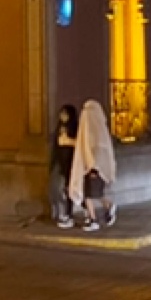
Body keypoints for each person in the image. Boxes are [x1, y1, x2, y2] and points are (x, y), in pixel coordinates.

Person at [70, 99, 117, 232]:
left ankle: (93, 219)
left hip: (92, 168)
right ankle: (107, 207)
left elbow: (91, 149)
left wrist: (93, 167)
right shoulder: (101, 129)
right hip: (94, 168)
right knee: (95, 193)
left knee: (89, 195)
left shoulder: (91, 128)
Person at [49, 104, 79, 228]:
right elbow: (56, 146)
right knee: (54, 187)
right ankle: (58, 211)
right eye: (61, 114)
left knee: (68, 189)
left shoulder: (75, 128)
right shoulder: (59, 128)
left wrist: (68, 141)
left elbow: (79, 143)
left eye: (65, 114)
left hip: (70, 162)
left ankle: (68, 213)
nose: (63, 116)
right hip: (59, 162)